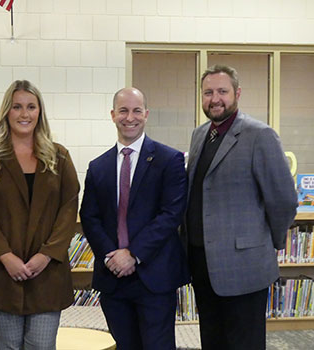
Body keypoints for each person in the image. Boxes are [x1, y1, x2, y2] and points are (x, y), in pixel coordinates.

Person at [184, 64, 298, 350]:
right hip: (202, 265)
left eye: (222, 91)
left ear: (237, 93)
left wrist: (265, 242)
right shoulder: (200, 135)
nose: (215, 98)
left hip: (244, 266)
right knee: (212, 340)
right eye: (208, 92)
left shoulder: (259, 135)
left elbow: (283, 199)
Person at [0, 80, 79, 350]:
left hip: (47, 272)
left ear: (40, 112)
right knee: (7, 346)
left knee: (41, 345)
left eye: (31, 107)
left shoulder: (59, 156)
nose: (24, 114)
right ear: (7, 111)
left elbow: (69, 208)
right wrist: (6, 257)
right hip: (2, 273)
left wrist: (46, 254)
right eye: (17, 107)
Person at [80, 87, 189, 350]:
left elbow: (171, 214)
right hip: (113, 278)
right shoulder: (98, 167)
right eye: (124, 111)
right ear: (113, 115)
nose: (130, 117)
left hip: (154, 276)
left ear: (146, 114)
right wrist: (110, 256)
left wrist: (133, 254)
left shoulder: (169, 159)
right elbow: (89, 216)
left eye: (137, 110)